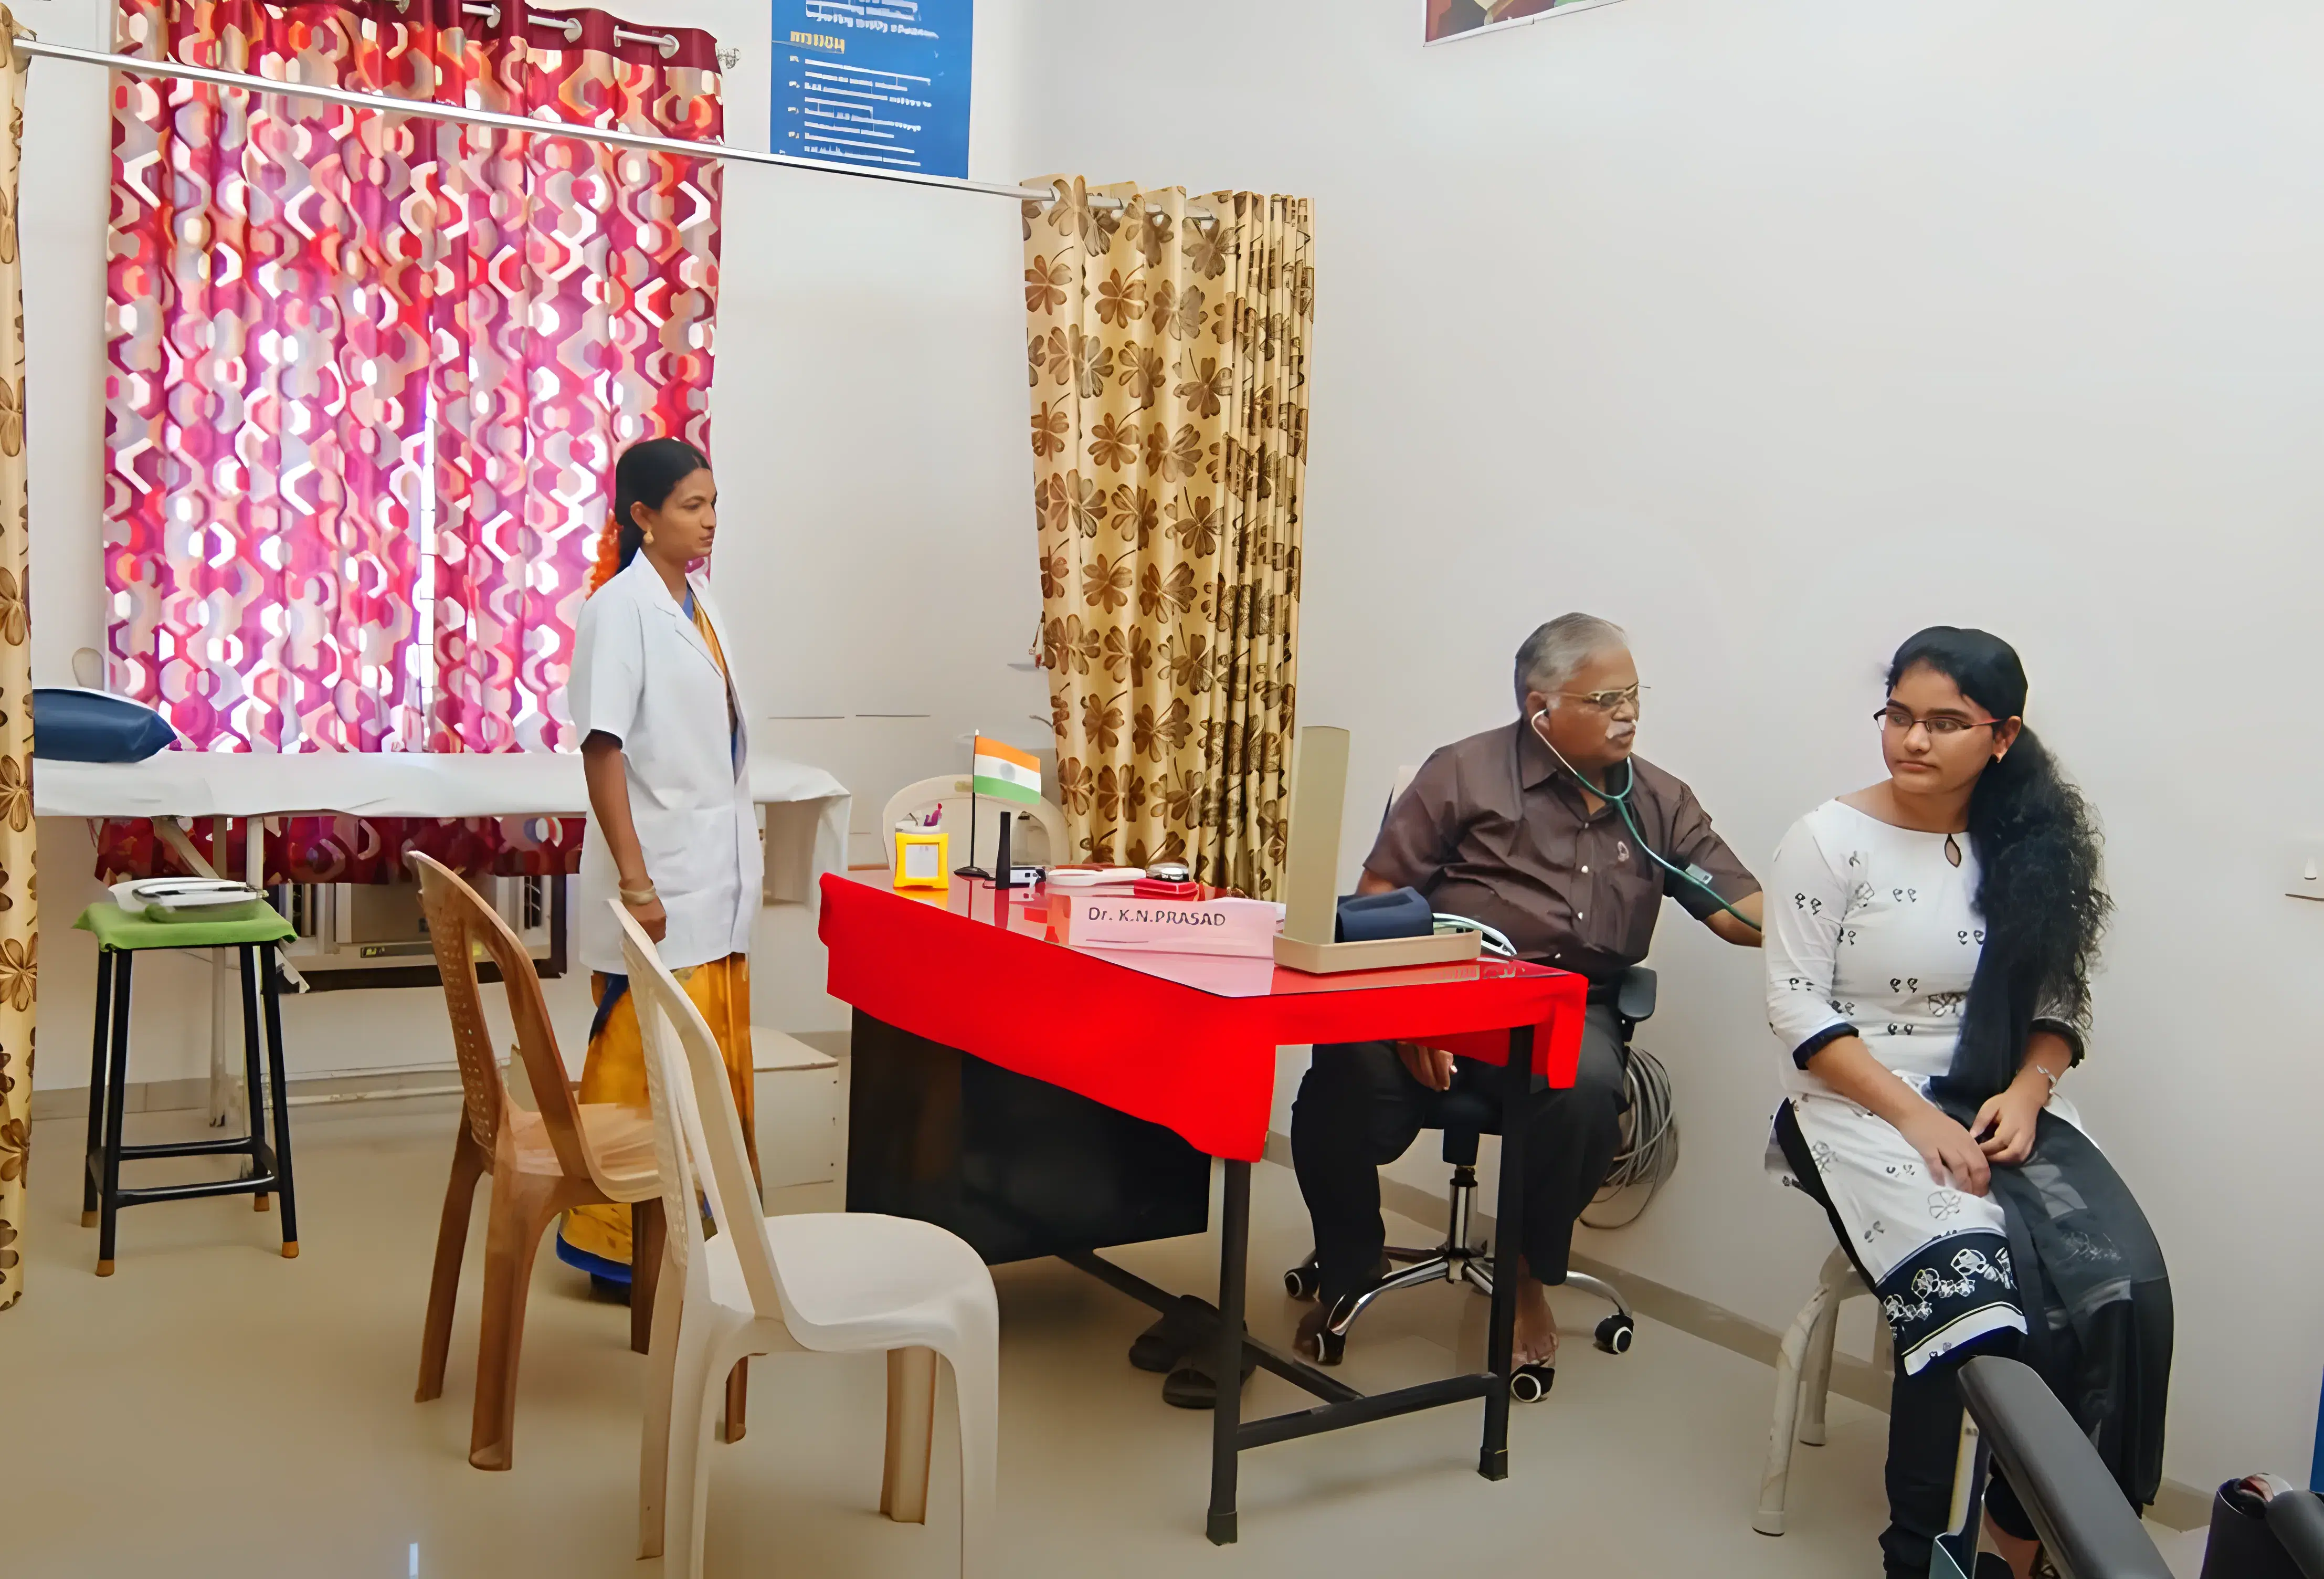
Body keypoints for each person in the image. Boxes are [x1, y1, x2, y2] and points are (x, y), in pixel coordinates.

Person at [1764, 627, 2170, 1579]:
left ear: (2002, 735)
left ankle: (2022, 1538)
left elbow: (2059, 998)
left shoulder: (2032, 839)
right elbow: (1795, 1004)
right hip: (1855, 1099)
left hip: (1998, 1091)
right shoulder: (1827, 839)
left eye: (1946, 722)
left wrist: (2031, 1091)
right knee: (1972, 1293)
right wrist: (1920, 1122)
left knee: (2120, 1290)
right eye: (1899, 716)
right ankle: (1917, 1549)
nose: (1913, 740)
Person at [1288, 613, 1763, 1374]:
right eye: (1606, 700)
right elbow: (1378, 898)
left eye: (1634, 695)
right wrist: (1415, 1016)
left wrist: (1826, 924)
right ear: (1541, 709)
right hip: (1445, 990)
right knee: (1341, 1072)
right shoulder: (1462, 774)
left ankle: (1525, 1272)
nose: (1629, 715)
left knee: (1588, 1093)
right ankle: (1351, 1259)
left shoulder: (1661, 803)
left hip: (1567, 1005)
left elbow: (1740, 910)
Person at [554, 438, 763, 1290]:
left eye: (714, 504)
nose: (709, 521)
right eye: (691, 506)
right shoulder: (619, 609)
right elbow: (602, 751)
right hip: (660, 880)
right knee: (644, 1059)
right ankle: (615, 1251)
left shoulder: (697, 603)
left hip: (710, 871)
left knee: (705, 1056)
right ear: (642, 516)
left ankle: (701, 1230)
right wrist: (636, 884)